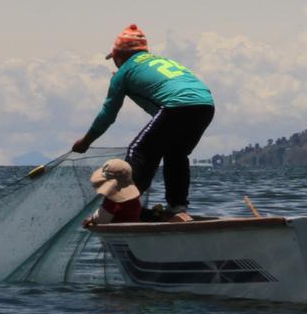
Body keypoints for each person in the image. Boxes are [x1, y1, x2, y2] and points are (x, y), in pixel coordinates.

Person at [71, 24, 214, 222]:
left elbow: (108, 114)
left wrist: (86, 140)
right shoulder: (159, 61)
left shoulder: (124, 72)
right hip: (205, 104)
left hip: (176, 105)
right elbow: (160, 108)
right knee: (176, 154)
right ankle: (177, 208)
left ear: (118, 55)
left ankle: (112, 210)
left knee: (138, 154)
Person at [83, 158, 142, 227]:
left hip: (116, 233)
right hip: (132, 229)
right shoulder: (134, 199)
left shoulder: (112, 202)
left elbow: (101, 220)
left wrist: (91, 219)